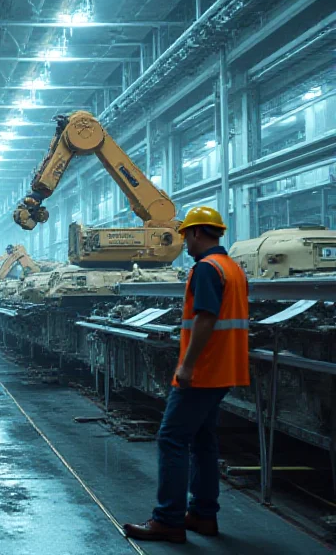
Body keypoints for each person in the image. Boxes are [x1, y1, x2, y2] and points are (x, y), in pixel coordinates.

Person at [124, 206, 249, 544]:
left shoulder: (206, 269)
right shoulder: (232, 267)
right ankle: (203, 515)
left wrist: (188, 364)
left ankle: (168, 519)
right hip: (226, 368)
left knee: (172, 439)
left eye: (185, 236)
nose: (184, 243)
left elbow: (206, 318)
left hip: (204, 370)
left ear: (196, 233)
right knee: (204, 441)